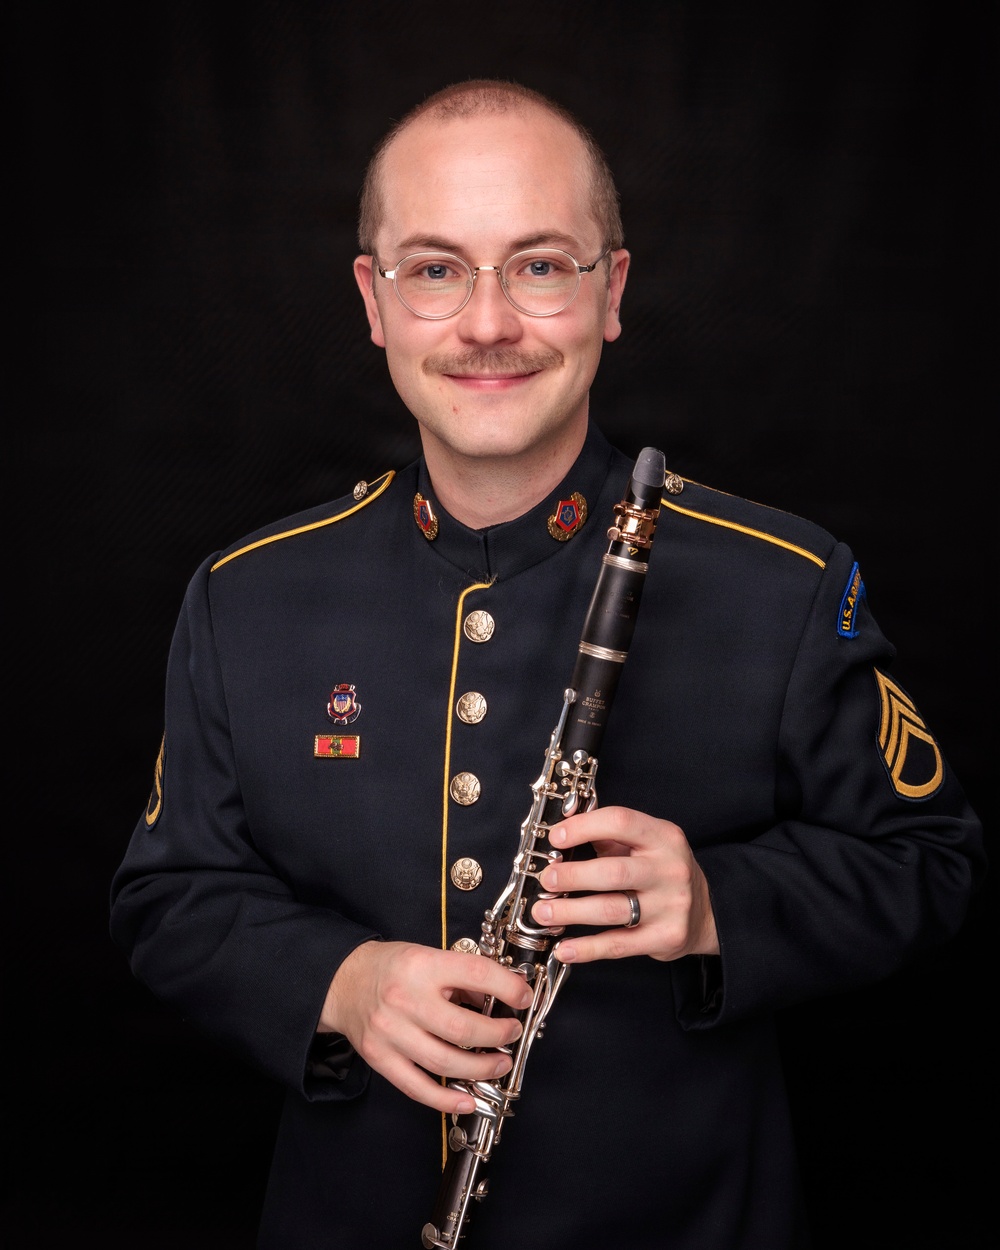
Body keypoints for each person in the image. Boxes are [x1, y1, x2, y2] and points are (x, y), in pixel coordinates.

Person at [110, 79, 985, 1250]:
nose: (485, 324)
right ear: (374, 302)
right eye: (434, 269)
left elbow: (929, 861)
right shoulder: (247, 596)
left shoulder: (782, 581)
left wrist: (718, 904)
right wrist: (340, 982)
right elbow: (166, 898)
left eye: (538, 265)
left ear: (609, 291)